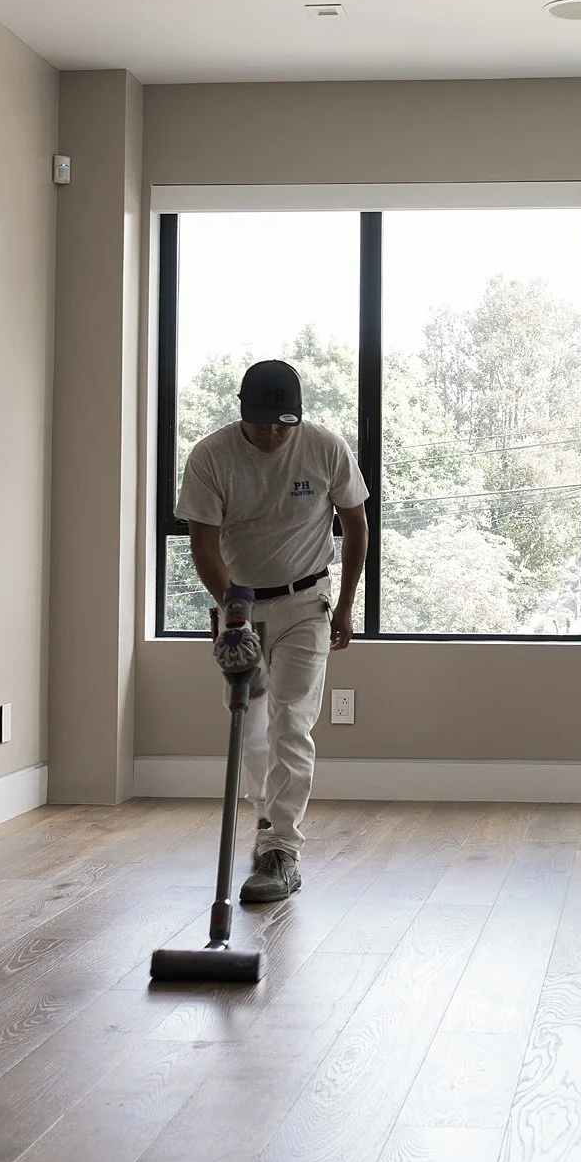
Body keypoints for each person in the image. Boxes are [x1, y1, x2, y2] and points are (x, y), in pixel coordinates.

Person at [175, 359, 368, 902]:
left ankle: (282, 848)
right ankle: (267, 821)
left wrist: (346, 604)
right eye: (263, 424)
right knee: (250, 722)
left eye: (284, 424)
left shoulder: (325, 447)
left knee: (293, 722)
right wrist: (231, 610)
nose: (273, 434)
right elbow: (204, 545)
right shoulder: (212, 457)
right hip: (240, 604)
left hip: (307, 601)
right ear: (243, 413)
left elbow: (355, 524)